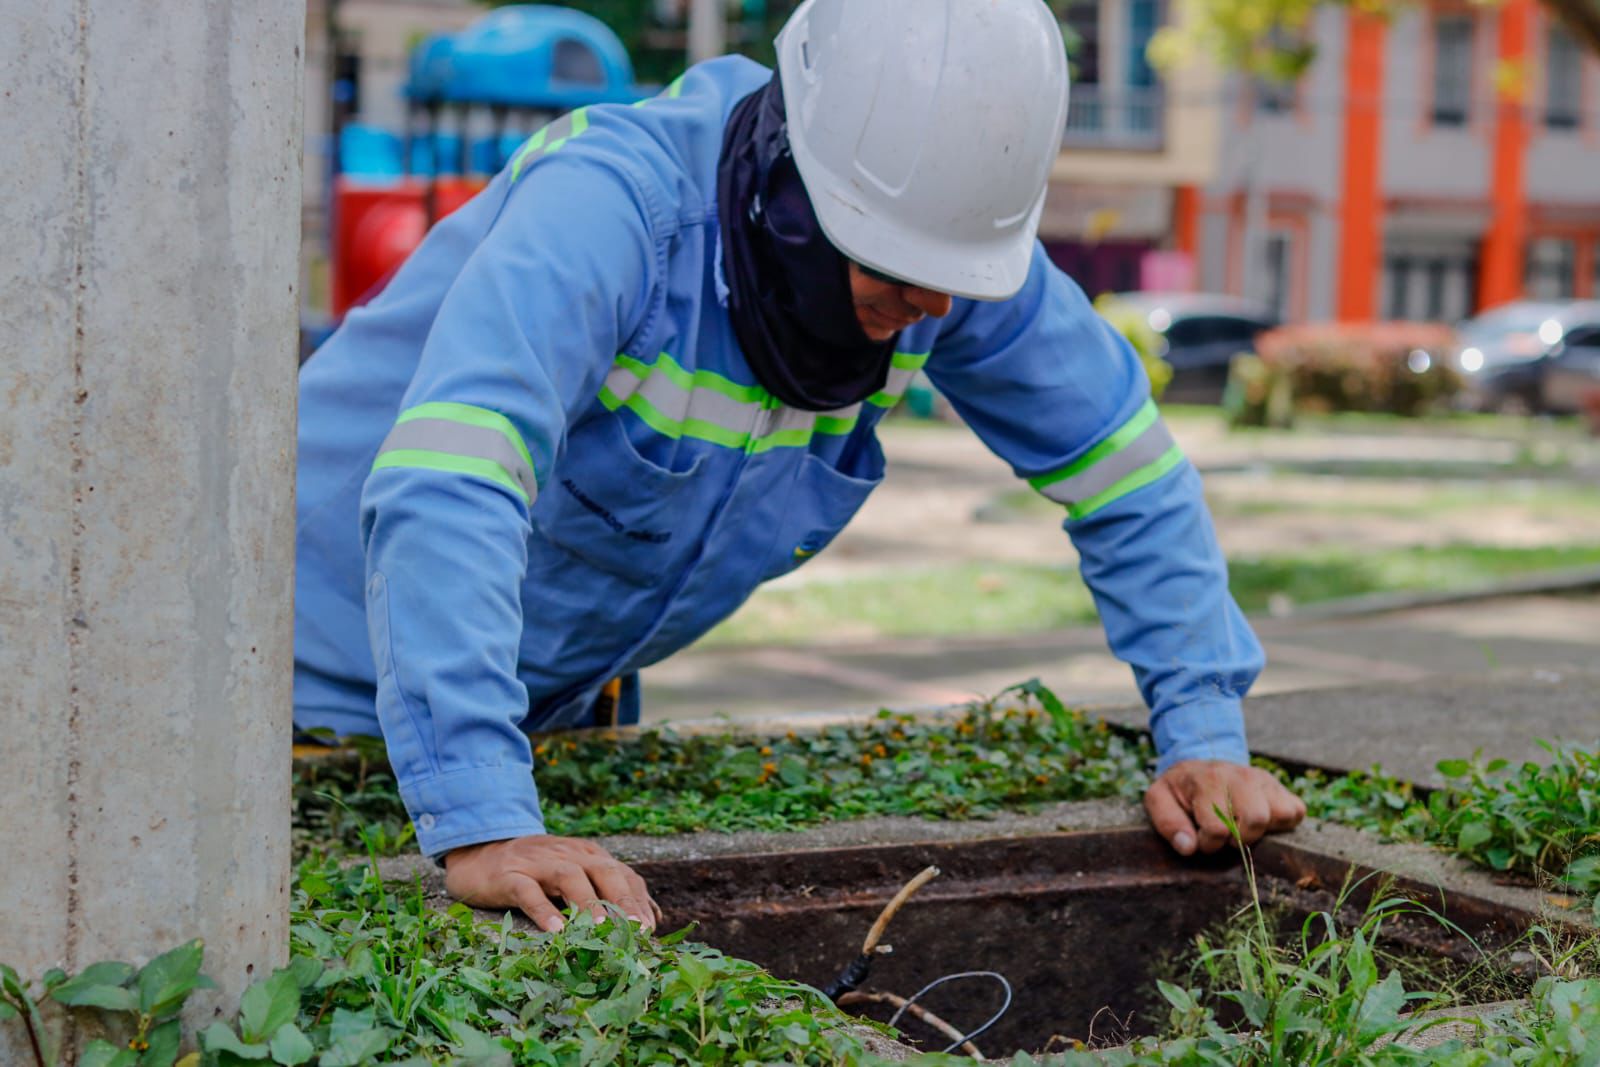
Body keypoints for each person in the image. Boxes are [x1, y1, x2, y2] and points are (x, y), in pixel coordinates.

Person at [294, 0, 1305, 933]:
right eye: (899, 272)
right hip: (301, 690)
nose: (936, 309)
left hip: (541, 709)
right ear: (789, 191)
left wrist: (1202, 731)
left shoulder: (945, 250)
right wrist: (482, 815)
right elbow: (452, 484)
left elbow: (1127, 472)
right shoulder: (609, 209)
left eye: (953, 280)